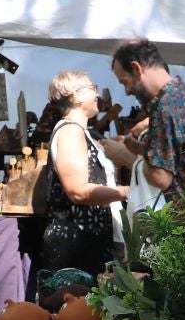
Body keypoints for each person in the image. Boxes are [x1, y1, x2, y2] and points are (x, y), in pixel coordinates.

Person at [37, 69, 125, 282]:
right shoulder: (70, 132)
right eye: (93, 88)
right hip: (77, 245)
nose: (97, 95)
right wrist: (126, 192)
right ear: (76, 95)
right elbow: (78, 191)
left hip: (88, 241)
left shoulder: (81, 132)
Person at [106, 39, 185, 194]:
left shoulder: (165, 107)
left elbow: (161, 178)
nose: (127, 92)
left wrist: (122, 155)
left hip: (177, 207)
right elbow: (180, 155)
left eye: (125, 82)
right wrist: (137, 148)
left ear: (136, 68)